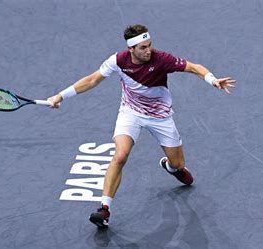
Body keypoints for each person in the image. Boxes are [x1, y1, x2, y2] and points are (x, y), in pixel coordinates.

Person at [47, 24, 235, 228]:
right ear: (131, 49)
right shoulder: (118, 60)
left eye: (149, 45)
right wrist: (60, 96)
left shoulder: (161, 58)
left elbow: (193, 67)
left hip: (160, 117)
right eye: (143, 47)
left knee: (179, 165)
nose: (148, 50)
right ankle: (104, 208)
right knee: (120, 155)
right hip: (131, 113)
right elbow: (92, 80)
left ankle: (171, 168)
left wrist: (213, 80)